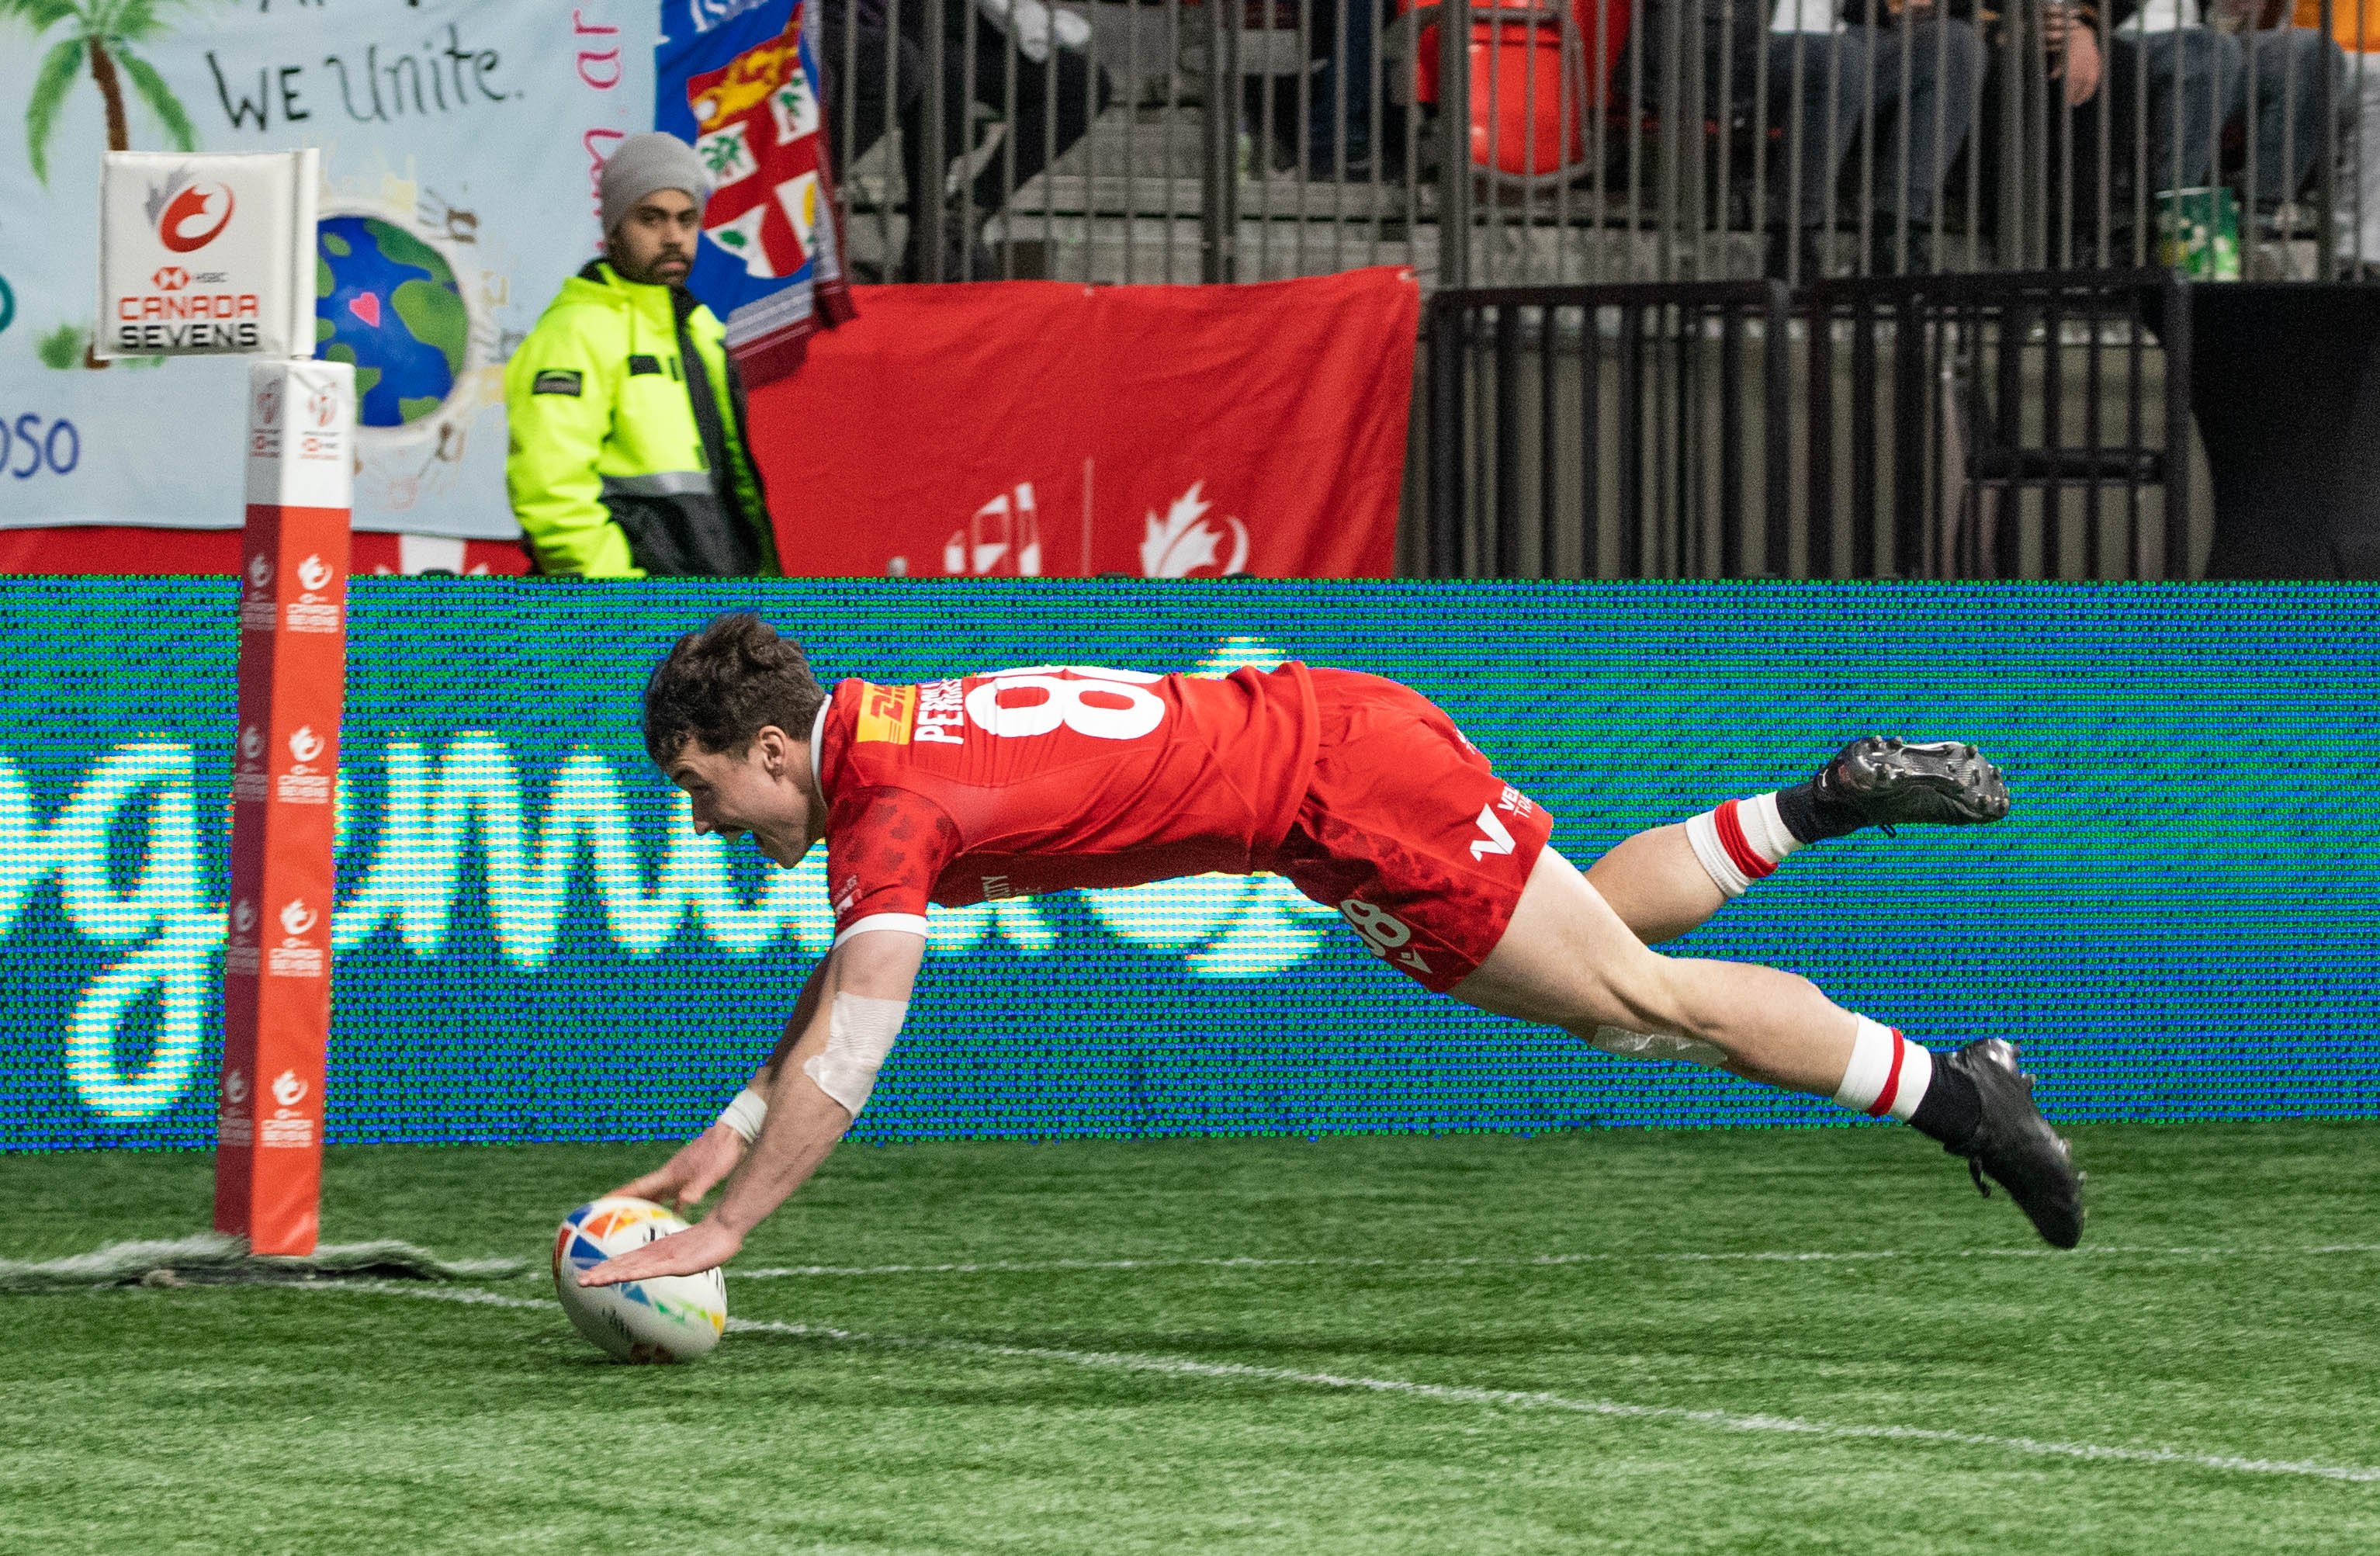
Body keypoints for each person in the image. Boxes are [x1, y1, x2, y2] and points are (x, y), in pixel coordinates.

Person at [580, 615, 2084, 1291]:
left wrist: (733, 1231)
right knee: (1596, 946)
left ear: (770, 746)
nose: (704, 821)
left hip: (1344, 794)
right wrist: (721, 1138)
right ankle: (1818, 801)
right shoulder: (876, 745)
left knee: (1637, 1011)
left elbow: (859, 1044)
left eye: (701, 785)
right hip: (1333, 762)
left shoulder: (890, 810)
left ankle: (1967, 1097)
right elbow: (845, 971)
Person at [504, 133, 778, 577]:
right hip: (627, 624)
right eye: (652, 219)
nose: (674, 237)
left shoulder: (700, 328)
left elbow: (735, 494)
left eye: (687, 221)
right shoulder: (575, 330)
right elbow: (551, 493)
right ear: (612, 228)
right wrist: (624, 607)